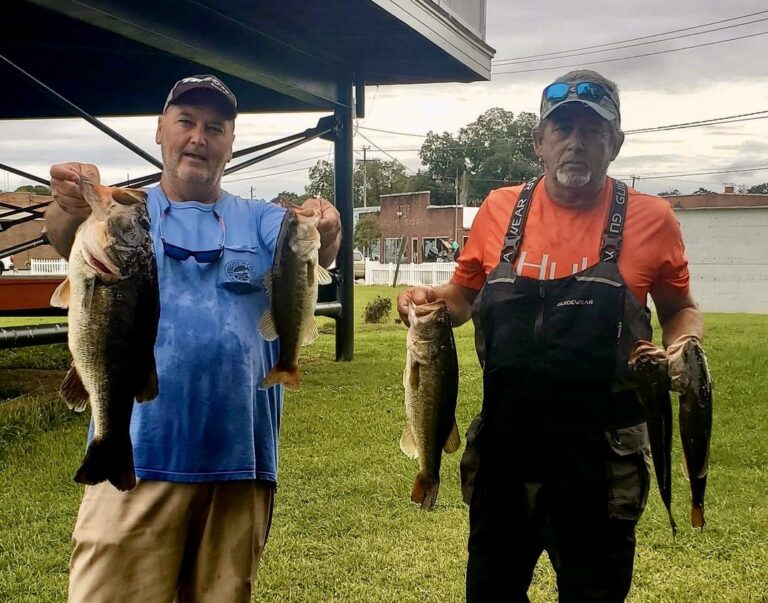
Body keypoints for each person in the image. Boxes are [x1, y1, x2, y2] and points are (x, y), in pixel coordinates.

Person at [397, 69, 703, 602]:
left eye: (592, 129)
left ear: (616, 142)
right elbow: (463, 296)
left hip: (600, 464)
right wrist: (426, 303)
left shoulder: (653, 219)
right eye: (562, 129)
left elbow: (680, 308)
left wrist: (683, 346)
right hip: (504, 455)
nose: (576, 143)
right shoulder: (498, 209)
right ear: (539, 141)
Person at [45, 74, 341, 602]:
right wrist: (70, 202)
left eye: (215, 128)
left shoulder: (264, 220)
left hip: (241, 466)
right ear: (161, 130)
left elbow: (310, 254)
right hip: (135, 461)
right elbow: (66, 232)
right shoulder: (125, 212)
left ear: (231, 142)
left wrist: (328, 225)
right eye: (185, 122)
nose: (198, 138)